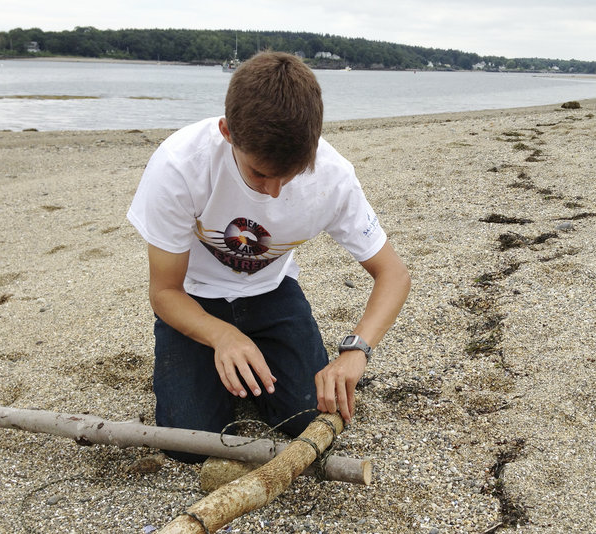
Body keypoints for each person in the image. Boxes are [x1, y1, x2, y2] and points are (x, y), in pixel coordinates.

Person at [127, 51, 411, 463]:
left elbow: (394, 274)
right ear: (227, 132)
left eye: (291, 174)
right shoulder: (179, 166)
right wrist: (223, 336)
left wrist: (355, 351)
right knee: (186, 445)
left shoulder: (333, 176)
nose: (274, 192)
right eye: (260, 174)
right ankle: (220, 368)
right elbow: (164, 292)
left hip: (271, 291)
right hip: (195, 297)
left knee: (312, 419)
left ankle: (245, 373)